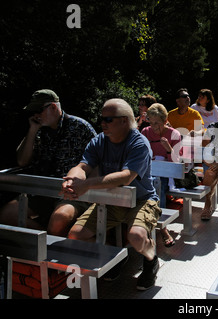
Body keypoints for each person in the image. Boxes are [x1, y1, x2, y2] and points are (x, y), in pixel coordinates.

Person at [62, 98, 161, 290]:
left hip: (142, 200)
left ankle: (151, 260)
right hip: (111, 200)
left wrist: (87, 185)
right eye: (102, 119)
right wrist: (72, 180)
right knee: (75, 236)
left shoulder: (139, 143)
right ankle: (114, 257)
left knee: (137, 237)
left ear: (124, 120)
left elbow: (126, 177)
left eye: (108, 119)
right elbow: (83, 166)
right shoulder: (99, 141)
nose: (102, 123)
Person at [0, 89, 97, 236]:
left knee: (59, 219)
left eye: (38, 110)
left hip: (72, 192)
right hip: (42, 190)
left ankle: (51, 242)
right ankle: (46, 242)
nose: (35, 115)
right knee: (7, 215)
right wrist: (32, 130)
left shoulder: (81, 127)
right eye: (32, 112)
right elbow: (22, 161)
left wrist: (88, 190)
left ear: (53, 107)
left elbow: (97, 162)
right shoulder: (40, 129)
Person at [141, 103, 181, 247]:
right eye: (151, 122)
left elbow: (177, 163)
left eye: (157, 123)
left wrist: (169, 150)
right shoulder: (145, 132)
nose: (153, 126)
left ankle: (162, 227)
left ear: (165, 121)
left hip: (166, 172)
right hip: (149, 170)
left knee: (159, 184)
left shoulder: (174, 134)